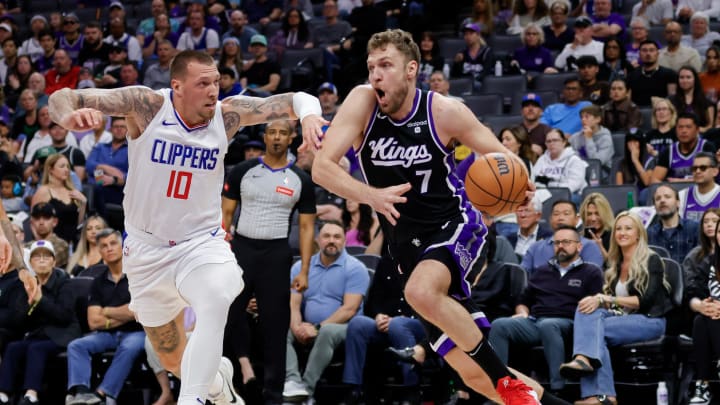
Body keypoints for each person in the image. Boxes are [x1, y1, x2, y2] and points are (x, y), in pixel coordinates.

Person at [48, 49, 325, 405]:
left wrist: (310, 116)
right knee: (173, 358)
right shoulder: (145, 106)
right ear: (177, 86)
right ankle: (218, 384)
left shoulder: (227, 116)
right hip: (147, 250)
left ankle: (191, 400)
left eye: (216, 81)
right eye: (203, 83)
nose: (214, 90)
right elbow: (62, 97)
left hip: (200, 243)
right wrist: (69, 116)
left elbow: (294, 100)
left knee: (216, 294)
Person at [311, 28, 569, 405]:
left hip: (456, 226)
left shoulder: (444, 111)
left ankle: (506, 382)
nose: (376, 75)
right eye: (371, 67)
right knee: (473, 375)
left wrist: (519, 186)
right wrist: (371, 196)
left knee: (421, 292)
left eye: (386, 65)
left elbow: (503, 159)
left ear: (411, 69)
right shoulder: (363, 101)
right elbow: (321, 168)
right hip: (406, 248)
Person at [221, 119, 317, 405]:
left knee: (275, 326)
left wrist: (305, 271)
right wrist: (218, 253)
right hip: (240, 250)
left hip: (276, 254)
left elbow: (307, 228)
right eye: (272, 132)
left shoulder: (301, 179)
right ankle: (226, 388)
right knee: (226, 317)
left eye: (282, 133)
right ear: (264, 137)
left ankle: (273, 395)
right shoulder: (243, 171)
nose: (276, 137)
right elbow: (225, 216)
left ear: (291, 139)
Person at [559, 211, 672, 405]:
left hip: (650, 320)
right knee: (586, 308)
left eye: (628, 228)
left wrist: (606, 298)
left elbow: (645, 301)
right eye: (619, 228)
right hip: (622, 319)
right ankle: (598, 388)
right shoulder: (615, 264)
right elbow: (609, 303)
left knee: (594, 331)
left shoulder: (652, 260)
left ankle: (599, 391)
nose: (622, 232)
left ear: (639, 234)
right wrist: (598, 300)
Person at [490, 225, 604, 393]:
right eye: (556, 243)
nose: (560, 246)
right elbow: (523, 298)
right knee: (499, 325)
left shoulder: (590, 272)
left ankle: (557, 389)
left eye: (566, 242)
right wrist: (522, 312)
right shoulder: (542, 271)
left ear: (579, 246)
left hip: (570, 323)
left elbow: (595, 305)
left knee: (549, 325)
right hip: (536, 321)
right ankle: (500, 388)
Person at [283, 220, 370, 403]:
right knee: (280, 326)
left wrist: (316, 327)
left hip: (346, 328)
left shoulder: (355, 268)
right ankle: (292, 382)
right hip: (308, 325)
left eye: (337, 237)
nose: (332, 240)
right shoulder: (300, 268)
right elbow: (294, 305)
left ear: (344, 241)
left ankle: (306, 390)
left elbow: (349, 309)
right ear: (317, 240)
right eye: (327, 236)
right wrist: (297, 326)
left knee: (328, 331)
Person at [64, 229, 147, 405]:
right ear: (100, 252)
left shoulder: (138, 275)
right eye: (104, 246)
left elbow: (140, 311)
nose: (109, 249)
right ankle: (81, 392)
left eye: (113, 243)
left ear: (123, 247)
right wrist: (125, 313)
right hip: (107, 334)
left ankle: (104, 395)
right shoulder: (98, 282)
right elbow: (93, 321)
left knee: (129, 347)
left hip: (138, 332)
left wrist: (107, 311)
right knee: (77, 345)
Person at [0, 240, 80, 405]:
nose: (42, 260)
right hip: (38, 334)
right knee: (14, 347)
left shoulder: (65, 282)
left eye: (46, 256)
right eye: (37, 257)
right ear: (30, 263)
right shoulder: (27, 285)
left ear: (54, 261)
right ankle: (3, 393)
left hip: (62, 334)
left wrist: (40, 300)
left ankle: (31, 394)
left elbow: (63, 316)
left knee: (36, 348)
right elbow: (21, 319)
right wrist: (27, 306)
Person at [342, 252, 426, 405]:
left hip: (418, 325)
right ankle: (353, 389)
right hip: (386, 324)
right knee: (358, 323)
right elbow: (374, 300)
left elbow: (430, 303)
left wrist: (399, 319)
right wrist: (378, 315)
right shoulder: (388, 261)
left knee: (398, 324)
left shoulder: (428, 262)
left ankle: (411, 389)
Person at [685, 211, 720, 405]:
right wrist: (702, 306)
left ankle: (702, 383)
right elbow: (692, 293)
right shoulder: (709, 262)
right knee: (701, 318)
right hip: (713, 317)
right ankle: (702, 383)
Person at [521, 199, 605, 273]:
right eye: (556, 214)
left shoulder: (589, 246)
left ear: (577, 219)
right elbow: (522, 276)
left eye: (566, 213)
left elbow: (593, 278)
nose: (560, 217)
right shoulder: (535, 248)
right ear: (550, 220)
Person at [30, 154, 86, 245]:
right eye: (62, 166)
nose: (66, 170)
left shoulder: (72, 191)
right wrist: (40, 243)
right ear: (50, 169)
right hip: (51, 244)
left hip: (73, 244)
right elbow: (33, 221)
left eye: (68, 167)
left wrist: (83, 203)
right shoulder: (43, 191)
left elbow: (79, 224)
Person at [651, 113, 715, 183]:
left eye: (688, 127)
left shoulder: (706, 147)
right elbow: (654, 180)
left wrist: (680, 181)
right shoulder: (669, 151)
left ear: (697, 130)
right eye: (680, 127)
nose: (684, 131)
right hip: (675, 192)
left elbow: (712, 176)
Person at [647, 184, 700, 263]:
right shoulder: (649, 233)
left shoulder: (694, 228)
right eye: (658, 199)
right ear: (654, 206)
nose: (662, 200)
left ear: (678, 203)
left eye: (667, 197)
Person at [532, 129, 588, 201]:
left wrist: (551, 189)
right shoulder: (542, 159)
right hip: (544, 195)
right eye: (548, 141)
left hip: (570, 195)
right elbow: (534, 178)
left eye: (555, 140)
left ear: (564, 142)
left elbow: (575, 184)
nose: (551, 143)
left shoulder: (574, 159)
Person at [627, 40, 678, 107]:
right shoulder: (632, 76)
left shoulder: (670, 74)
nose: (648, 53)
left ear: (657, 53)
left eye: (651, 50)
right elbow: (628, 102)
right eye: (644, 50)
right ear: (639, 54)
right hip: (637, 113)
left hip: (662, 112)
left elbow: (672, 101)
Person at [569, 104, 613, 174]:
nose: (583, 119)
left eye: (587, 117)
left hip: (601, 171)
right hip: (579, 169)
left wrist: (589, 139)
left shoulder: (605, 138)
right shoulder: (575, 137)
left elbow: (597, 162)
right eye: (582, 117)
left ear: (598, 119)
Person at [671, 66, 715, 133]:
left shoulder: (706, 102)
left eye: (688, 77)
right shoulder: (671, 101)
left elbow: (710, 126)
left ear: (695, 80)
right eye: (681, 77)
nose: (685, 80)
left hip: (700, 136)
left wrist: (696, 130)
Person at [679, 152, 720, 222]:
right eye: (694, 168)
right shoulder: (682, 195)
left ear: (715, 171)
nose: (698, 171)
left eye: (703, 168)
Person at [26, 202, 69, 269]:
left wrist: (38, 240)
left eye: (46, 218)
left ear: (55, 222)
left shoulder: (62, 244)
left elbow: (46, 265)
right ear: (32, 222)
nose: (41, 222)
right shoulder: (27, 246)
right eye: (37, 218)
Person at [579, 193, 614, 262]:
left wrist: (599, 247)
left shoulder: (614, 236)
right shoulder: (579, 237)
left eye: (597, 213)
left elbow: (613, 266)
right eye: (589, 214)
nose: (593, 219)